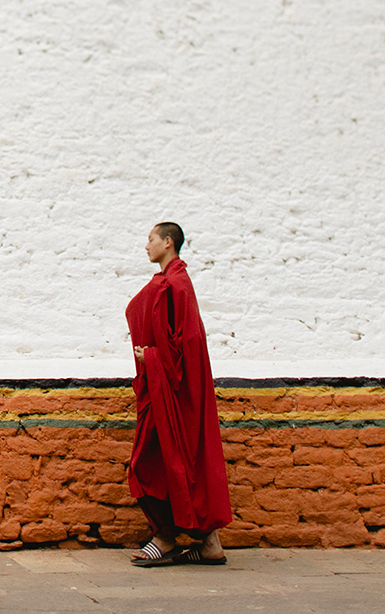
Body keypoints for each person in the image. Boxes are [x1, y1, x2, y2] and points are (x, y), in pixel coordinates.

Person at [126, 221, 232, 566]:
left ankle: (166, 537)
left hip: (177, 395)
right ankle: (208, 544)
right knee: (177, 463)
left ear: (168, 242)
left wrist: (152, 358)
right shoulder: (169, 282)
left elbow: (188, 345)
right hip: (166, 392)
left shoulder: (177, 285)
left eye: (151, 239)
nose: (146, 246)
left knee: (148, 465)